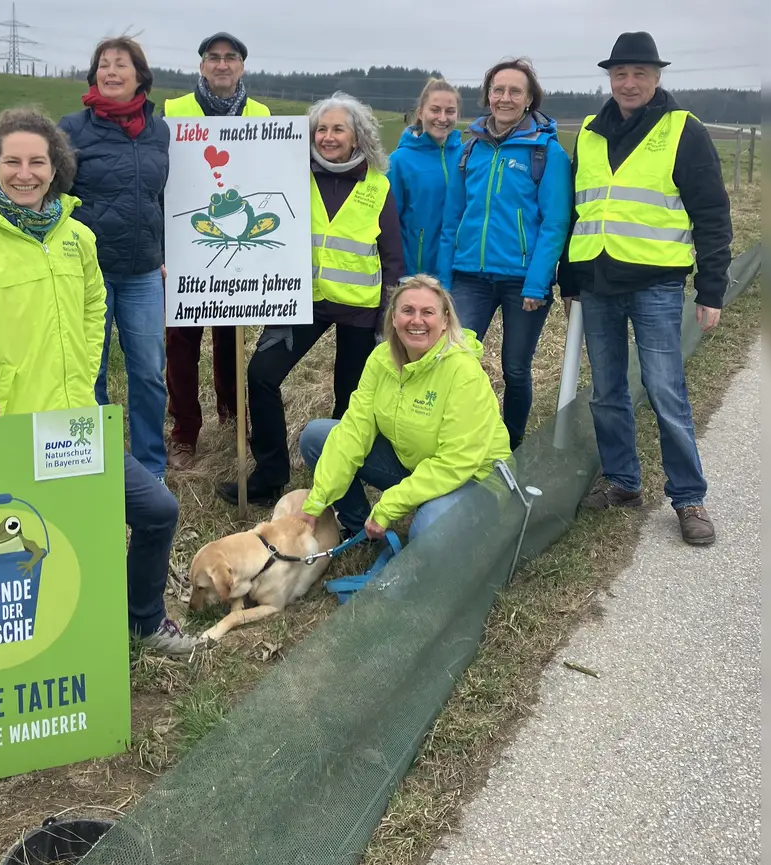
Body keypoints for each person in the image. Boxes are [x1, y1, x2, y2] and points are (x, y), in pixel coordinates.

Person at [0, 107, 202, 656]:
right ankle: (34, 648)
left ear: (57, 167)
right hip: (0, 432)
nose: (26, 173)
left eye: (38, 162)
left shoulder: (78, 238)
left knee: (157, 511)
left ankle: (142, 619)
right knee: (25, 548)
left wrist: (80, 381)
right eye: (12, 161)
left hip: (71, 429)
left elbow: (95, 307)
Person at [558, 31, 734, 547]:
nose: (629, 82)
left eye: (639, 73)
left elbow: (712, 215)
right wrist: (569, 282)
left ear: (657, 78)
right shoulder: (589, 131)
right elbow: (578, 211)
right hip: (597, 282)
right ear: (609, 78)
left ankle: (688, 498)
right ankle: (623, 483)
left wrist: (712, 289)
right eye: (620, 74)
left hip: (657, 283)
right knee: (607, 392)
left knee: (664, 391)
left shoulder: (683, 130)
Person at [218, 92, 404, 509]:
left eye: (338, 128)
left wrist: (386, 319)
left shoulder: (378, 185)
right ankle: (269, 476)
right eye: (321, 128)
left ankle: (336, 482)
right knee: (261, 375)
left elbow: (393, 259)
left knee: (349, 397)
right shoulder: (292, 176)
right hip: (300, 301)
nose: (328, 136)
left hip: (360, 308)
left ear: (357, 137)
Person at [295, 275, 511, 541]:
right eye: (407, 311)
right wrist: (317, 500)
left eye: (427, 312)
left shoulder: (463, 371)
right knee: (318, 436)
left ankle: (469, 539)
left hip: (474, 481)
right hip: (415, 464)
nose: (416, 320)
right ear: (394, 318)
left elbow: (458, 460)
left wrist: (390, 505)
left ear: (444, 321)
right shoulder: (380, 359)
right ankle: (361, 532)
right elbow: (354, 430)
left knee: (427, 527)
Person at [434, 57, 572, 451]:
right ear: (488, 95)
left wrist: (538, 281)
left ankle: (510, 446)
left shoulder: (547, 153)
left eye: (515, 91)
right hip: (469, 277)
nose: (505, 97)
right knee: (456, 361)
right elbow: (452, 218)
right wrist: (443, 281)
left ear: (529, 99)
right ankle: (462, 440)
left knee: (514, 367)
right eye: (498, 90)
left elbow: (555, 223)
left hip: (522, 281)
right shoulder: (469, 148)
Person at [60, 36, 172, 480]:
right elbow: (56, 196)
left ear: (139, 75)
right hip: (89, 270)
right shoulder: (72, 129)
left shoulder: (159, 131)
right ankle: (96, 462)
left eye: (120, 64)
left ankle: (150, 465)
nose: (110, 72)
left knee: (148, 371)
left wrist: (160, 250)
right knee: (92, 371)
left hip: (144, 271)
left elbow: (161, 196)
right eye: (103, 65)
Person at [162, 32, 271, 471]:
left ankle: (232, 416)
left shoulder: (261, 115)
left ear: (242, 66)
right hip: (185, 242)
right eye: (213, 58)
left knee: (233, 338)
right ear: (202, 66)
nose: (222, 65)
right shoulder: (172, 112)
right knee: (181, 344)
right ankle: (185, 431)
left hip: (236, 241)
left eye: (230, 58)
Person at [388, 78, 463, 277]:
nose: (442, 118)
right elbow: (389, 225)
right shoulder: (399, 161)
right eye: (435, 110)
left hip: (462, 275)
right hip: (416, 275)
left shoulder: (468, 156)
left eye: (450, 111)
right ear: (421, 113)